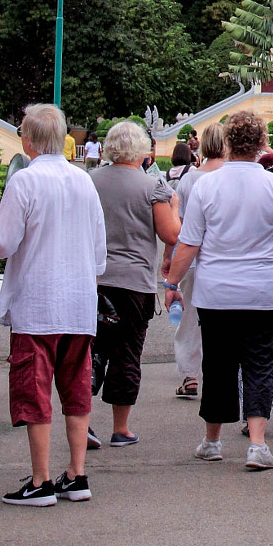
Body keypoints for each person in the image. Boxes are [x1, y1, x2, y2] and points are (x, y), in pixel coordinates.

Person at [165, 110, 273, 471]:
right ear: (262, 144)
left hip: (216, 291)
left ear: (227, 142)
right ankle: (258, 444)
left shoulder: (206, 186)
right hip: (261, 290)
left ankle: (213, 440)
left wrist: (171, 283)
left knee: (217, 366)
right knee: (261, 364)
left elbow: (189, 244)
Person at [0, 104, 106, 508]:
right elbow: (99, 251)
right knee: (76, 388)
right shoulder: (83, 181)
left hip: (38, 301)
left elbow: (1, 242)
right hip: (78, 300)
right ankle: (76, 473)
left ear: (27, 140)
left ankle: (40, 480)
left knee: (33, 389)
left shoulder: (25, 181)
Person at [88, 121, 176, 449]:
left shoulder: (90, 181)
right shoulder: (151, 186)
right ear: (142, 151)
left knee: (91, 351)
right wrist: (176, 207)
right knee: (127, 353)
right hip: (134, 283)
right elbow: (171, 234)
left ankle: (80, 419)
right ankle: (120, 428)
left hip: (96, 279)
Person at [168, 121, 226, 401]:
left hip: (193, 257)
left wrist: (169, 261)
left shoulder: (190, 179)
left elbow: (178, 227)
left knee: (191, 318)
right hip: (224, 258)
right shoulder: (230, 176)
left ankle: (190, 374)